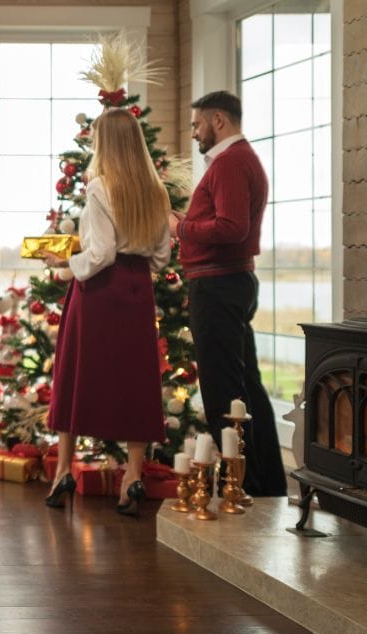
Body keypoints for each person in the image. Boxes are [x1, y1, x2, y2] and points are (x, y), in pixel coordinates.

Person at [42, 108, 172, 516]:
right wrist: (137, 272)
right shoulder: (156, 191)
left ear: (104, 143)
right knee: (137, 380)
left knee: (76, 373)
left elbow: (99, 254)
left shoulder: (100, 187)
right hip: (136, 293)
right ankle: (132, 479)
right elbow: (161, 257)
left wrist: (64, 267)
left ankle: (63, 470)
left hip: (98, 293)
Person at [168, 90, 287, 497]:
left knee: (223, 388)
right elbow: (224, 223)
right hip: (227, 282)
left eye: (197, 124)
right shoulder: (237, 160)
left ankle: (242, 483)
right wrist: (187, 222)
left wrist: (180, 228)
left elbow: (232, 228)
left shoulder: (231, 162)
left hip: (219, 286)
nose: (195, 132)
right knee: (246, 385)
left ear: (219, 120)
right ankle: (264, 480)